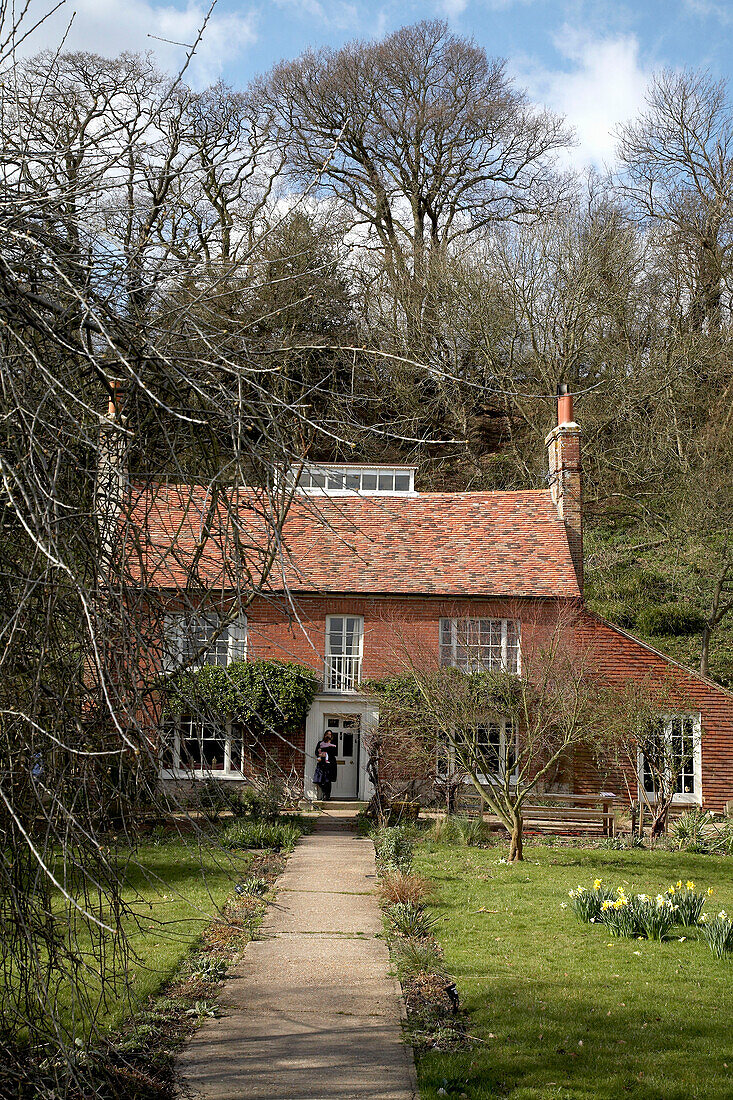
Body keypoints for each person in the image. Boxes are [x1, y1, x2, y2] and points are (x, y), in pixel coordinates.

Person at [314, 730, 338, 800]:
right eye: (327, 734)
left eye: (330, 735)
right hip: (321, 763)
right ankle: (325, 793)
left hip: (330, 763)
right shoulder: (320, 743)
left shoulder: (333, 744)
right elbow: (316, 752)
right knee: (319, 780)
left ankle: (327, 796)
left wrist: (326, 752)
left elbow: (334, 753)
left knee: (328, 780)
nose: (328, 736)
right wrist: (320, 754)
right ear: (324, 735)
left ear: (332, 736)